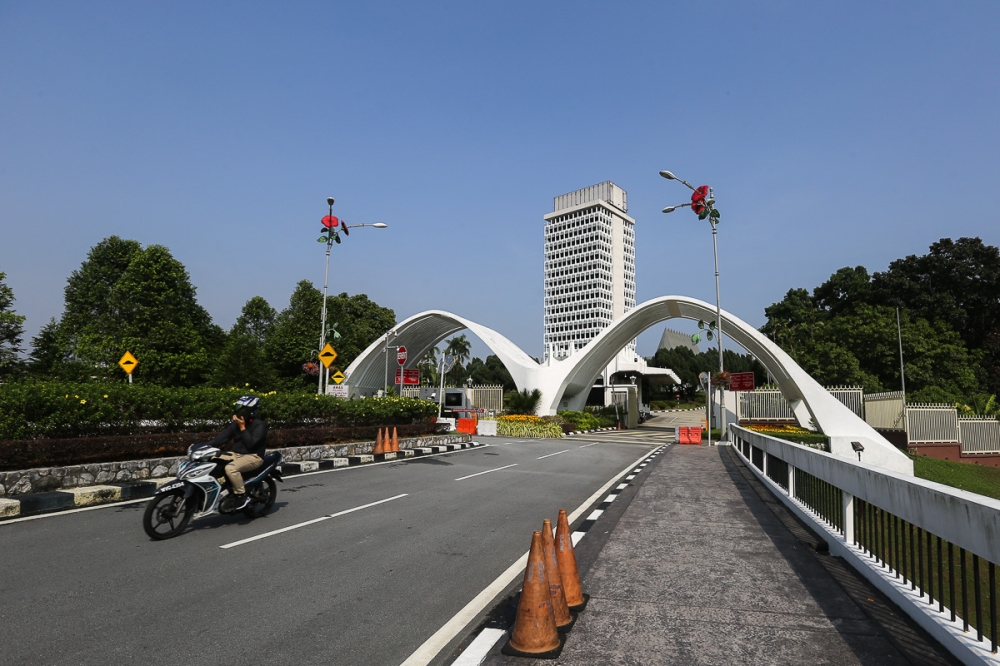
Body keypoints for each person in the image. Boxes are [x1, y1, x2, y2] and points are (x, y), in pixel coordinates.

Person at [209, 395, 267, 510]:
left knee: (231, 468)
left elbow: (251, 444)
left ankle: (241, 495)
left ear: (252, 410)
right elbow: (220, 439)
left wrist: (242, 427)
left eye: (243, 409)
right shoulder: (235, 424)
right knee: (211, 461)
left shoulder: (259, 425)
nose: (239, 412)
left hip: (253, 456)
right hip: (236, 454)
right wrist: (202, 447)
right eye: (238, 408)